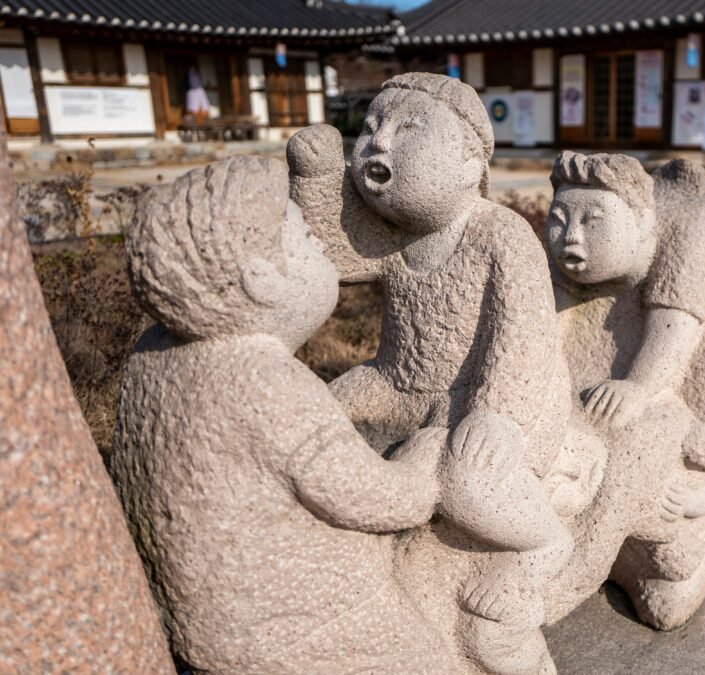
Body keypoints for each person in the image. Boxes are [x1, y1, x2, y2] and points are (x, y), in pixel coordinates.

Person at [110, 156, 452, 673]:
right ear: (261, 279)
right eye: (301, 234)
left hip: (201, 617)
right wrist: (427, 465)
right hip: (296, 624)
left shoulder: (152, 352)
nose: (316, 238)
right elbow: (377, 499)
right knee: (428, 658)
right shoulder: (262, 380)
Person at [287, 73, 572, 673]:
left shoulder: (500, 234)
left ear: (471, 160)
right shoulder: (392, 237)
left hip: (493, 403)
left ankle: (542, 545)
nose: (378, 142)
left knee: (466, 477)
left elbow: (522, 338)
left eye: (408, 130)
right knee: (329, 407)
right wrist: (316, 178)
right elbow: (336, 250)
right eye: (370, 128)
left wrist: (499, 416)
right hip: (401, 384)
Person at [545, 151, 705, 628]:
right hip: (631, 283)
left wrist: (641, 388)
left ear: (642, 222)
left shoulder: (690, 229)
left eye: (592, 222)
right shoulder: (582, 247)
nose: (571, 237)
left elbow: (675, 327)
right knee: (594, 382)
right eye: (559, 220)